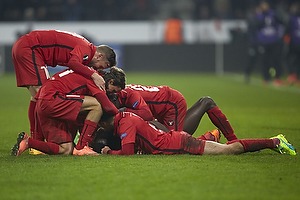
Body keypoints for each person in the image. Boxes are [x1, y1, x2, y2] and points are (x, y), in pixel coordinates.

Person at [11, 29, 117, 147]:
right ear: (99, 56)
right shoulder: (86, 49)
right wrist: (93, 75)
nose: (100, 69)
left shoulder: (84, 46)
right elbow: (73, 63)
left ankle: (37, 140)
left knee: (36, 97)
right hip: (30, 48)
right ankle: (37, 141)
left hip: (25, 46)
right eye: (104, 65)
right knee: (42, 95)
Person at [99, 68, 237, 142]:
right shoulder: (118, 93)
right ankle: (211, 138)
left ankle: (228, 139)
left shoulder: (126, 95)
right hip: (160, 108)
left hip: (172, 103)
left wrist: (123, 111)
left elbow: (147, 115)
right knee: (163, 136)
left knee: (173, 141)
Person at [11, 68, 119, 156]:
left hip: (44, 101)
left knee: (66, 150)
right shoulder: (95, 79)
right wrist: (120, 115)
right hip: (53, 99)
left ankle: (28, 142)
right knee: (97, 105)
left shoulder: (84, 72)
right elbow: (107, 106)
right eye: (113, 90)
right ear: (110, 81)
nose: (110, 93)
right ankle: (81, 148)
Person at [99, 112, 296, 156]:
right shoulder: (126, 118)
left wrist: (108, 152)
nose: (100, 128)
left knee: (230, 151)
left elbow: (127, 153)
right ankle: (211, 136)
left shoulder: (125, 123)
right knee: (225, 149)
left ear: (106, 121)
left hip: (179, 143)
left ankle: (274, 141)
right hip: (176, 140)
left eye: (100, 124)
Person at [252, 2, 285, 86]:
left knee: (276, 60)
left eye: (265, 5)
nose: (264, 7)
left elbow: (281, 22)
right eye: (263, 6)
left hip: (274, 41)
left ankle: (277, 78)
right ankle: (266, 78)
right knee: (264, 61)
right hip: (264, 42)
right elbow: (255, 26)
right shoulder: (259, 16)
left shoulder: (273, 14)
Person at [285, 3, 300, 86]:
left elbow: (287, 30)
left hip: (293, 42)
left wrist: (286, 41)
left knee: (286, 58)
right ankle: (296, 77)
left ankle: (292, 76)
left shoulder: (291, 18)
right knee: (297, 61)